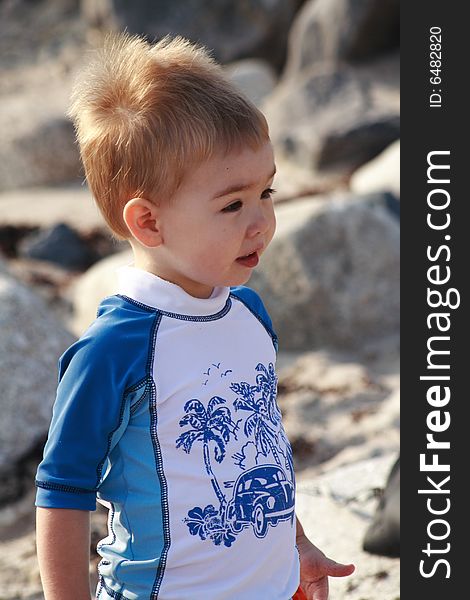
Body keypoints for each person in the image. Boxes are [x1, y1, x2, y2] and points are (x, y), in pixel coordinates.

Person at [35, 33, 355, 599]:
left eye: (267, 192)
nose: (260, 222)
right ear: (149, 224)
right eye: (232, 204)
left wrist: (295, 547)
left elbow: (258, 451)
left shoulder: (248, 314)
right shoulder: (115, 349)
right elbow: (63, 492)